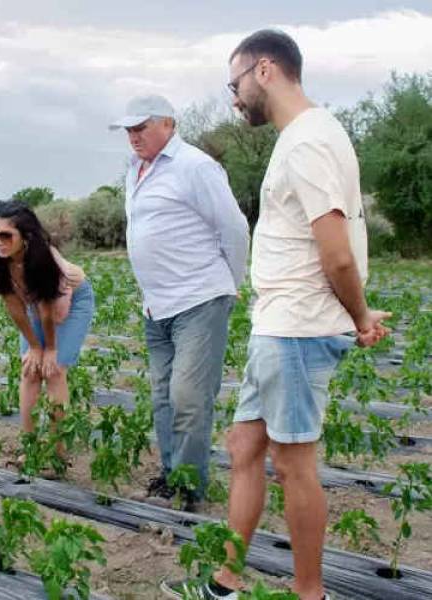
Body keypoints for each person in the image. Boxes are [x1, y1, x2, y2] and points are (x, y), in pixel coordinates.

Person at [161, 30, 390, 600]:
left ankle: (310, 594)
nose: (233, 97)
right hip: (280, 325)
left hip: (295, 329)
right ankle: (226, 583)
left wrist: (358, 317)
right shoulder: (306, 137)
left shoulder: (309, 141)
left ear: (264, 70)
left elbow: (335, 250)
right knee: (243, 447)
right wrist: (353, 312)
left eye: (234, 83)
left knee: (292, 465)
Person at [109, 94, 250, 509]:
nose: (133, 136)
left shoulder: (195, 166)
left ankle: (190, 490)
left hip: (199, 299)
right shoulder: (136, 170)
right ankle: (172, 476)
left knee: (189, 398)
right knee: (163, 397)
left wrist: (230, 281)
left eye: (140, 128)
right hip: (157, 307)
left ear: (167, 124)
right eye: (128, 130)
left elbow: (234, 228)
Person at [0, 200, 94, 472]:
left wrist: (49, 349)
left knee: (54, 371)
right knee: (30, 369)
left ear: (26, 237)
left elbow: (49, 311)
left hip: (70, 301)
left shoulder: (44, 260)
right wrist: (33, 345)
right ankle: (29, 447)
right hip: (34, 303)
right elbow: (14, 305)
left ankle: (57, 454)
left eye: (6, 235)